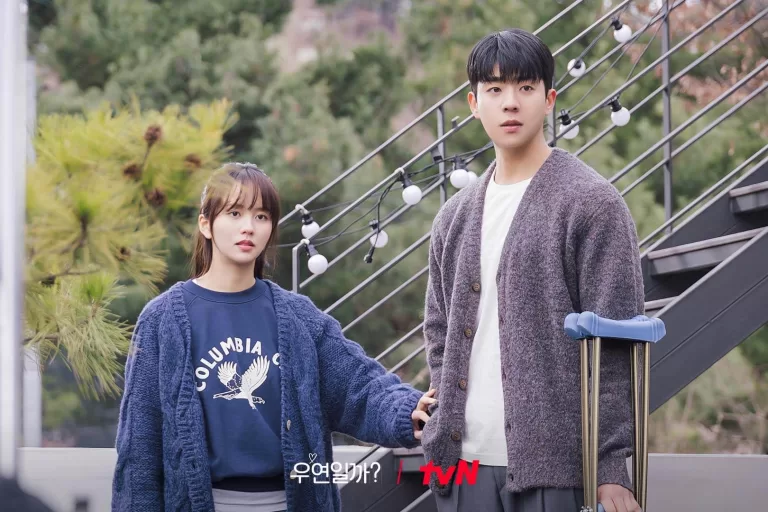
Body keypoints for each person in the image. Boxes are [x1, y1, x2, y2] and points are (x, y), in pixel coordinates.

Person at [111, 162, 435, 512]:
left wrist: (407, 409)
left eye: (262, 216)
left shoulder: (299, 318)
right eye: (234, 213)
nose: (248, 227)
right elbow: (140, 449)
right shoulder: (162, 320)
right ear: (206, 224)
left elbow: (360, 388)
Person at [421, 29, 643, 512]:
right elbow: (439, 330)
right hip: (460, 466)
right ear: (474, 103)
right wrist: (441, 419)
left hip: (558, 467)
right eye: (495, 89)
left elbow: (616, 342)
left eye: (525, 87)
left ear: (549, 99)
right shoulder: (453, 217)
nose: (510, 103)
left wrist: (609, 465)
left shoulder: (592, 203)